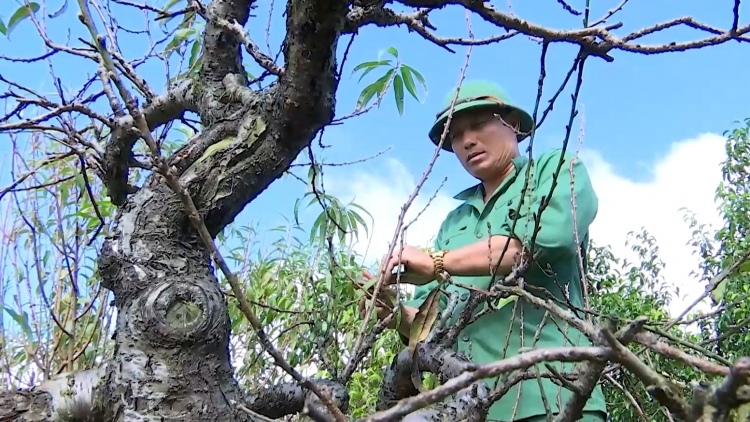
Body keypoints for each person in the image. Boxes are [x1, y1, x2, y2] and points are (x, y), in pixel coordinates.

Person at [360, 80, 608, 422]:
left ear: (514, 125)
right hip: (474, 407)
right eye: (455, 135)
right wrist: (392, 312)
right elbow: (434, 320)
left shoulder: (554, 170)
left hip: (555, 395)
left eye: (477, 125)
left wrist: (437, 262)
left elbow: (541, 242)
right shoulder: (455, 221)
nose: (467, 141)